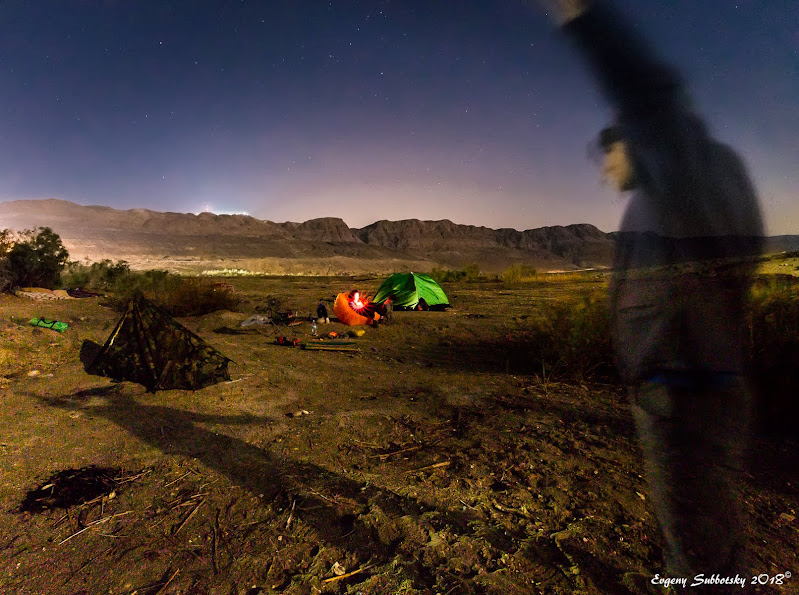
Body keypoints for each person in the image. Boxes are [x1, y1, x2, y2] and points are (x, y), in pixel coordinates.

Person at [539, 1, 764, 592]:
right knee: (702, 528)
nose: (605, 173)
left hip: (687, 387)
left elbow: (650, 96)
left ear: (636, 144)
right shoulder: (693, 189)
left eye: (608, 157)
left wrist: (583, 18)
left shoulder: (686, 171)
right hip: (697, 380)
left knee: (697, 541)